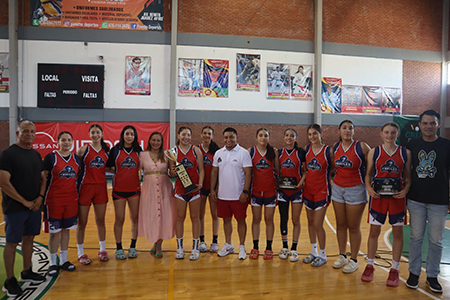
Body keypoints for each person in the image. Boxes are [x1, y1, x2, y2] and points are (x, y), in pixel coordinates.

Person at [360, 122, 411, 286]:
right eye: (387, 132)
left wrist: (406, 190)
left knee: (397, 233)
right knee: (374, 232)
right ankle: (370, 265)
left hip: (397, 198)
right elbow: (368, 175)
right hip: (378, 198)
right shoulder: (374, 152)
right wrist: (368, 188)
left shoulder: (405, 153)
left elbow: (408, 178)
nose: (390, 135)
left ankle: (394, 269)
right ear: (381, 133)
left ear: (397, 134)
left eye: (393, 132)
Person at [405, 110, 450, 293]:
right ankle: (414, 273)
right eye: (425, 123)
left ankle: (432, 275)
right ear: (420, 125)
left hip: (439, 201)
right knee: (415, 238)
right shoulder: (412, 145)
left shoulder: (447, 145)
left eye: (432, 123)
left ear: (438, 124)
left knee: (436, 240)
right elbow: (407, 172)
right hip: (416, 199)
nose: (429, 126)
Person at [0, 120, 46, 297]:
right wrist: (24, 202)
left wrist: (39, 198)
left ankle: (26, 271)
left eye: (32, 131)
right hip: (15, 209)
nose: (30, 134)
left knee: (29, 239)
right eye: (25, 131)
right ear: (18, 133)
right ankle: (10, 280)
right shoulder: (8, 154)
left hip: (34, 207)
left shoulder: (35, 155)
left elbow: (43, 178)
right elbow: (4, 182)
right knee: (12, 243)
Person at [332, 120, 370, 273]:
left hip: (356, 189)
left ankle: (353, 259)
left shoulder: (362, 147)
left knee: (353, 227)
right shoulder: (335, 147)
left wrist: (369, 184)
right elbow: (332, 166)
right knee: (341, 224)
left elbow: (373, 166)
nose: (347, 131)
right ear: (339, 130)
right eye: (344, 128)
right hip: (338, 189)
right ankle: (342, 255)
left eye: (350, 128)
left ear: (354, 131)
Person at [210, 127, 252, 260]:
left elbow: (248, 173)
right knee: (226, 221)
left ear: (236, 138)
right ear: (223, 138)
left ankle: (242, 246)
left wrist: (245, 191)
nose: (229, 140)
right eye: (226, 137)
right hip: (223, 195)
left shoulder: (243, 153)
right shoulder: (218, 153)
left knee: (241, 220)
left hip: (238, 196)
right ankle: (228, 245)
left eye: (231, 137)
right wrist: (212, 189)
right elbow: (214, 172)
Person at [43, 131, 80, 276]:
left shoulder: (76, 159)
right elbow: (43, 178)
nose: (66, 143)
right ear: (58, 142)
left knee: (66, 231)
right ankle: (53, 263)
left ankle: (64, 260)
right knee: (54, 233)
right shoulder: (51, 158)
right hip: (54, 201)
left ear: (72, 142)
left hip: (71, 200)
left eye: (69, 140)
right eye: (63, 140)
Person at [106, 125, 142, 260]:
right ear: (122, 135)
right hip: (119, 190)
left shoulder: (139, 151)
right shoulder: (115, 150)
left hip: (134, 190)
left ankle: (133, 245)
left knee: (135, 219)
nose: (129, 137)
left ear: (135, 137)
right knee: (119, 219)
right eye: (127, 134)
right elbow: (108, 166)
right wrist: (116, 173)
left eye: (132, 134)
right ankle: (119, 247)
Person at [169, 127, 205, 260]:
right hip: (180, 190)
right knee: (180, 218)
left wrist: (200, 183)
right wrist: (172, 172)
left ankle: (195, 248)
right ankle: (180, 247)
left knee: (195, 218)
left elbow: (201, 169)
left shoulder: (196, 150)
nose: (186, 137)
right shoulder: (173, 152)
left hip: (194, 189)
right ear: (178, 136)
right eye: (183, 134)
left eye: (189, 135)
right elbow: (171, 172)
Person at [138, 132, 176, 258]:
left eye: (158, 140)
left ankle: (159, 245)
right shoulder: (143, 155)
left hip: (165, 188)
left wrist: (176, 169)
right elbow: (135, 171)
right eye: (153, 140)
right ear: (149, 141)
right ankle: (155, 241)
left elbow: (173, 172)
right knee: (153, 216)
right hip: (149, 189)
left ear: (162, 142)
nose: (156, 142)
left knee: (163, 215)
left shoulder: (167, 154)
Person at [76, 124, 110, 264]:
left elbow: (110, 167)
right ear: (89, 134)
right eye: (93, 132)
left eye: (98, 132)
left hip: (101, 187)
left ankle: (102, 250)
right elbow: (76, 168)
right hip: (85, 187)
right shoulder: (83, 149)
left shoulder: (107, 150)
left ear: (102, 134)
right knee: (82, 222)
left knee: (100, 220)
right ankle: (80, 252)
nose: (95, 134)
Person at [301, 124, 333, 267]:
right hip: (308, 190)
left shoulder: (328, 150)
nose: (312, 136)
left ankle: (323, 254)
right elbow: (306, 170)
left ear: (320, 133)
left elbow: (334, 167)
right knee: (310, 222)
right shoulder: (307, 149)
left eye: (315, 133)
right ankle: (313, 252)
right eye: (309, 134)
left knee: (318, 224)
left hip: (322, 190)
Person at [248, 128, 280, 260]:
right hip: (255, 191)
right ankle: (255, 247)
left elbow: (277, 170)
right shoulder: (251, 151)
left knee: (269, 220)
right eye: (260, 135)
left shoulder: (274, 152)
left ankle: (269, 247)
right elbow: (248, 171)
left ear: (268, 137)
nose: (263, 138)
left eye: (265, 135)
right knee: (256, 219)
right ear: (256, 137)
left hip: (270, 191)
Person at [277, 129, 305, 262]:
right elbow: (276, 171)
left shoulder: (300, 153)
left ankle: (294, 248)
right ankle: (284, 247)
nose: (289, 138)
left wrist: (300, 182)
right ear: (283, 137)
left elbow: (306, 171)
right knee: (284, 218)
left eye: (292, 136)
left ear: (296, 137)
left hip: (296, 191)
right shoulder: (279, 153)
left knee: (295, 220)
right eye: (287, 135)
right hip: (283, 191)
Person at [198, 126, 220, 253]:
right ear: (201, 135)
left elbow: (219, 171)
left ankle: (215, 241)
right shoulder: (197, 149)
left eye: (209, 133)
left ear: (212, 136)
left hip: (213, 188)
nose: (207, 135)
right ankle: (202, 241)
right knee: (200, 215)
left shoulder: (216, 151)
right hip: (200, 187)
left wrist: (215, 188)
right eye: (205, 133)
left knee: (214, 214)